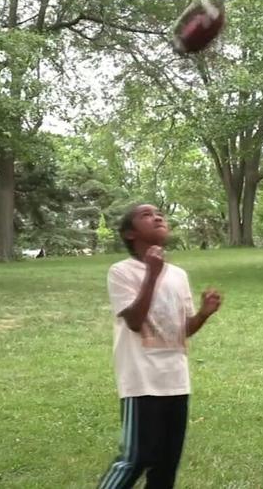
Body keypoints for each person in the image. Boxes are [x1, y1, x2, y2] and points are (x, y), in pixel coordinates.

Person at [97, 204, 222, 489]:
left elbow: (182, 330)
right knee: (135, 459)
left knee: (166, 466)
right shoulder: (121, 272)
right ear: (130, 234)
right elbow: (134, 321)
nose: (157, 217)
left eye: (159, 213)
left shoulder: (178, 275)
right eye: (146, 215)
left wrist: (203, 313)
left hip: (176, 381)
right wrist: (151, 275)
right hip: (142, 382)